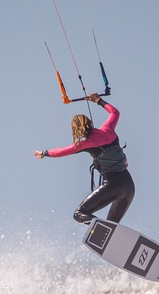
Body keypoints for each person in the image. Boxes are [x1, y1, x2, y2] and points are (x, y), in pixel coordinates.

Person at [34, 93, 135, 224]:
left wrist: (44, 153)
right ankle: (107, 234)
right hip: (129, 187)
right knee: (112, 226)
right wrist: (99, 101)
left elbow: (60, 152)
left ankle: (100, 228)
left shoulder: (85, 144)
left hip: (112, 185)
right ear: (91, 123)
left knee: (79, 214)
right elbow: (115, 113)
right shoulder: (108, 129)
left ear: (77, 132)